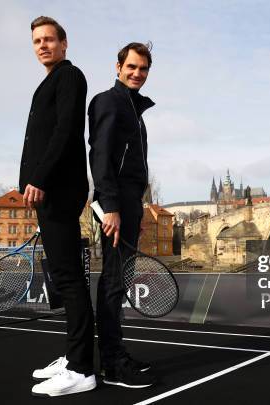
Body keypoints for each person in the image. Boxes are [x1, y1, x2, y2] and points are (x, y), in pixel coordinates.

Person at [19, 16, 95, 397]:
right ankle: (73, 356)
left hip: (58, 191)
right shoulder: (48, 81)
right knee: (66, 278)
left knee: (69, 280)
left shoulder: (70, 76)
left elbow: (66, 131)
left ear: (64, 44)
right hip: (46, 192)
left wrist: (40, 178)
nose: (43, 45)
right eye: (37, 40)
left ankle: (82, 368)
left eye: (49, 39)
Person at [88, 42, 156, 388]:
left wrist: (138, 208)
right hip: (115, 205)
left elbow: (133, 167)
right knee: (114, 282)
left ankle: (117, 353)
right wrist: (111, 206)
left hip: (130, 204)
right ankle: (112, 364)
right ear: (118, 67)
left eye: (143, 69)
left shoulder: (133, 110)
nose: (137, 73)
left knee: (121, 280)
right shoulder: (108, 102)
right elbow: (100, 158)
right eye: (131, 67)